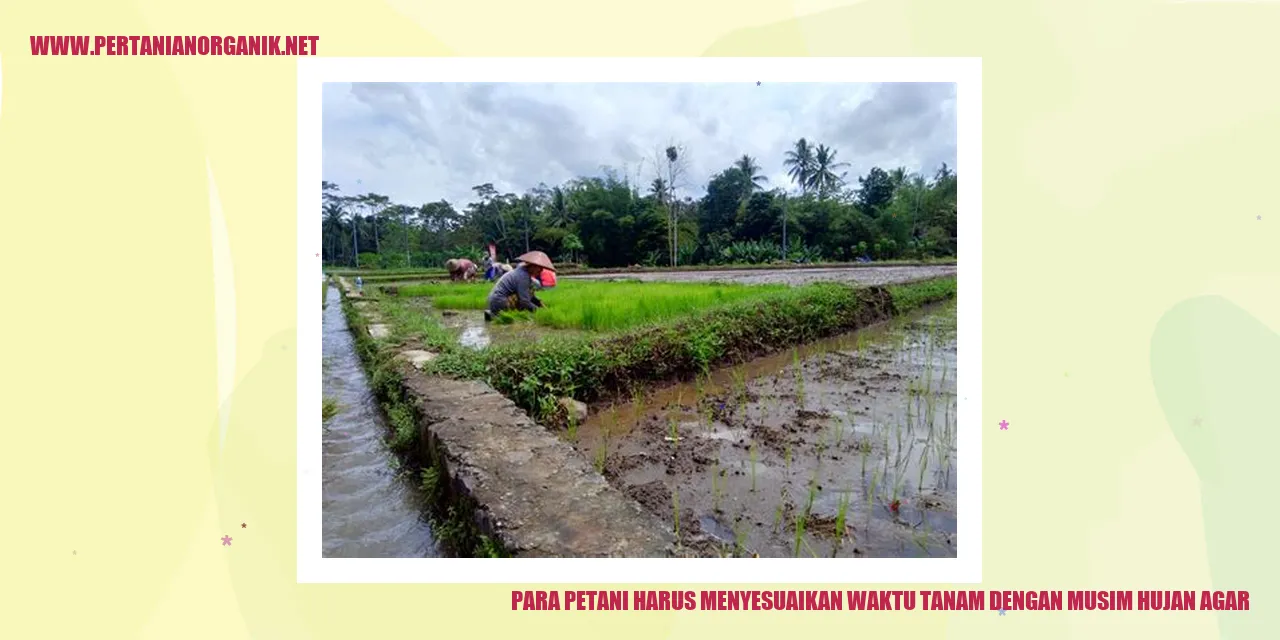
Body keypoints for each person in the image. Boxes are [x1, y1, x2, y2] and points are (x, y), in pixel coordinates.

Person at [485, 251, 556, 322]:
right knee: (525, 298)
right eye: (539, 268)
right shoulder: (523, 276)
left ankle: (495, 314)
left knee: (528, 292)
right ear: (533, 266)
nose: (541, 270)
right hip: (499, 302)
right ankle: (501, 314)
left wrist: (540, 304)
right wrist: (539, 311)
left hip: (494, 301)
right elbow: (525, 301)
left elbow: (531, 296)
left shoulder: (521, 272)